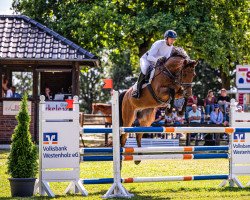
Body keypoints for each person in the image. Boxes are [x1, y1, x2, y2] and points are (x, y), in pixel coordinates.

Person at [132, 30, 177, 98]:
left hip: (157, 63)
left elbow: (167, 58)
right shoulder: (159, 43)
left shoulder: (171, 47)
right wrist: (158, 60)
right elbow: (150, 57)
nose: (172, 41)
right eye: (171, 39)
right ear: (166, 38)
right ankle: (137, 91)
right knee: (145, 70)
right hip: (146, 60)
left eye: (174, 39)